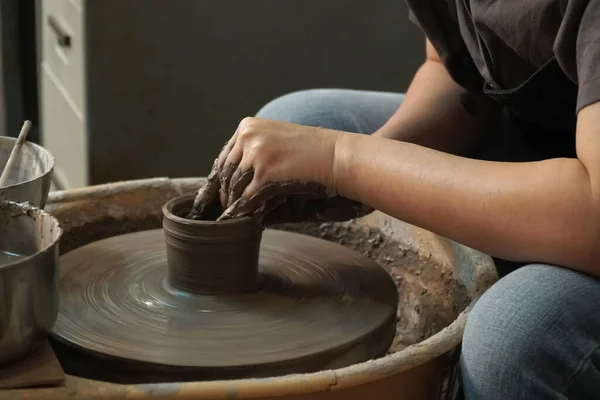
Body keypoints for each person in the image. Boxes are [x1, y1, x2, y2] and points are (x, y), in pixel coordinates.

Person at [195, 2, 600, 398]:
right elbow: (453, 70)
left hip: (586, 209)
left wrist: (342, 160)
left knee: (512, 334)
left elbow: (594, 216)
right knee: (296, 121)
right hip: (544, 140)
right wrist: (369, 167)